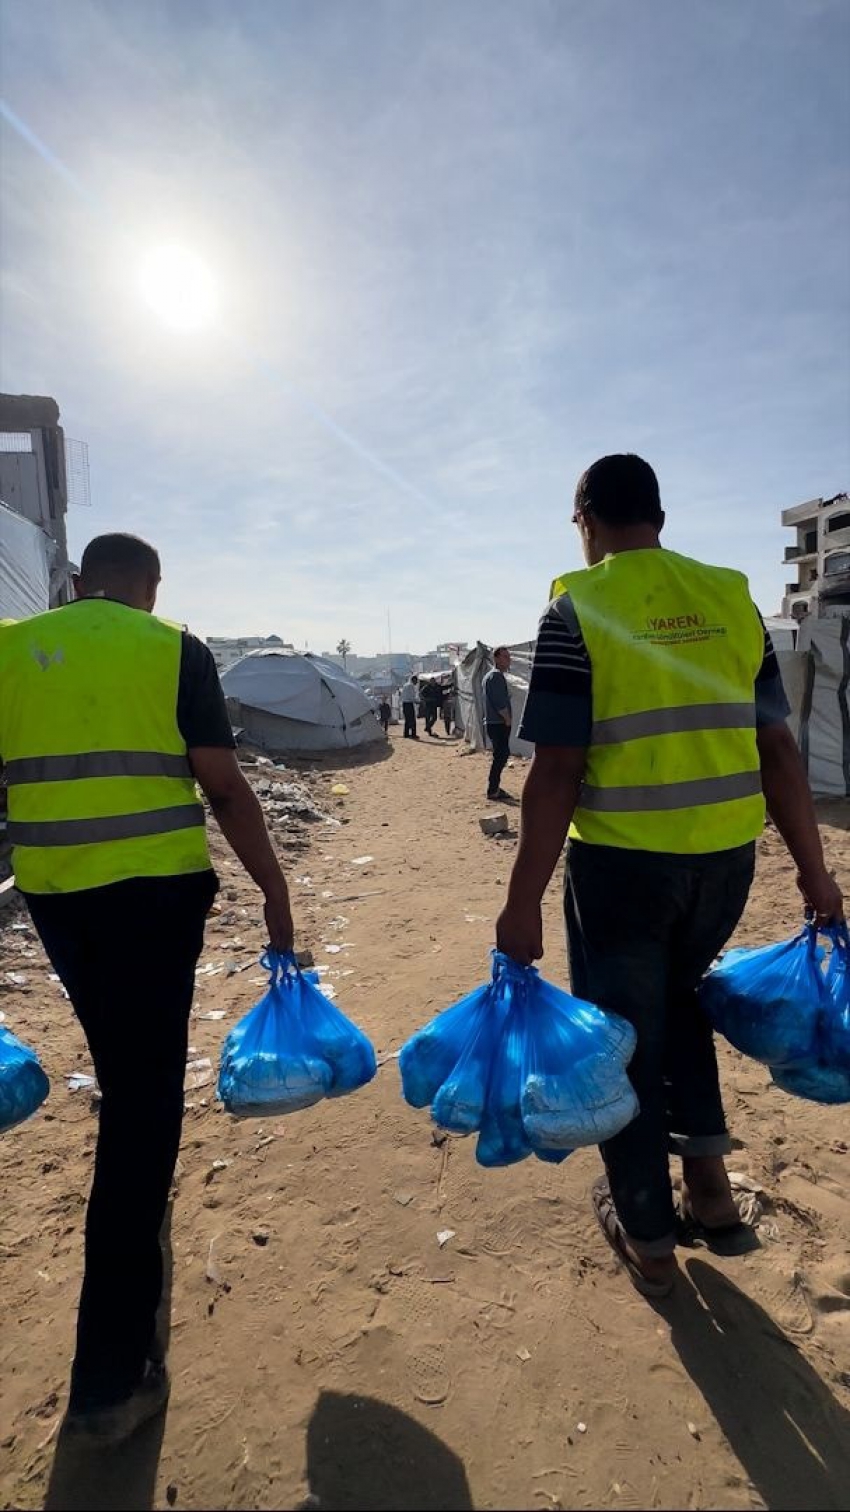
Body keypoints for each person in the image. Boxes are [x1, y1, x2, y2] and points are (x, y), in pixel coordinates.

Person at [495, 454, 843, 1299]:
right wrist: (816, 874)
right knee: (681, 1007)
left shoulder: (577, 609)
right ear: (659, 516)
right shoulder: (731, 600)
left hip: (623, 870)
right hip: (723, 865)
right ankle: (713, 1195)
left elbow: (556, 770)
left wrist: (521, 903)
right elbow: (777, 747)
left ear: (584, 520)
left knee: (623, 1043)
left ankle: (649, 1234)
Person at [0, 533, 295, 1440]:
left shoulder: (11, 649)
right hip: (158, 902)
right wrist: (275, 894)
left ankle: (122, 1314)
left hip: (57, 900)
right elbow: (225, 789)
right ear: (151, 588)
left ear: (76, 583)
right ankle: (111, 1378)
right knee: (141, 1111)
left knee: (123, 1069)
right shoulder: (175, 650)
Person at [483, 647, 513, 800]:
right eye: (505, 657)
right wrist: (507, 719)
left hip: (494, 723)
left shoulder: (492, 676)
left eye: (509, 657)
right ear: (496, 658)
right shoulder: (495, 676)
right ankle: (493, 789)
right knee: (501, 755)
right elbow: (499, 702)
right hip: (498, 723)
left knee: (500, 755)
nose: (508, 660)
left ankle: (494, 787)